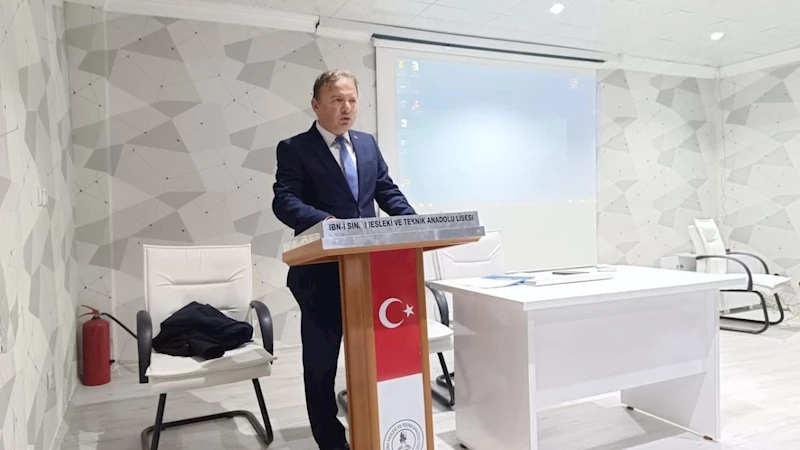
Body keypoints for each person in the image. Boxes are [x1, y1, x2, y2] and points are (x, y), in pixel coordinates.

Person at [272, 69, 416, 450]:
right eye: (337, 100)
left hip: (371, 274)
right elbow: (284, 200)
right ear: (316, 104)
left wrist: (413, 223)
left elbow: (386, 191)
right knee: (321, 367)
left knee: (375, 356)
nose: (346, 108)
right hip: (320, 275)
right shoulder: (295, 148)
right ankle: (332, 442)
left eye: (352, 100)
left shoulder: (366, 144)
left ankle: (379, 428)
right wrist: (325, 222)